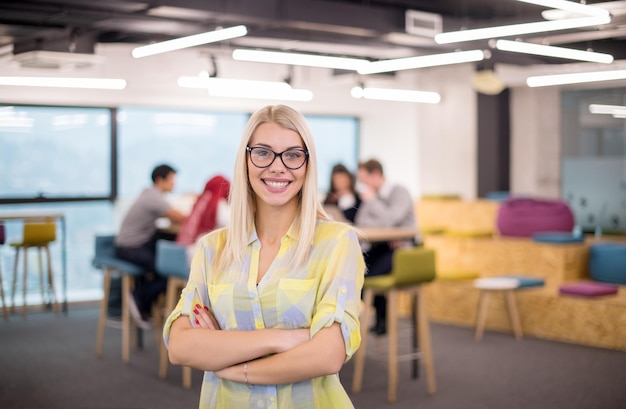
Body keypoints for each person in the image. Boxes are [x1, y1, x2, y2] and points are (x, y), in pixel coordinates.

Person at [163, 104, 365, 408]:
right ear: (245, 160)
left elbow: (327, 355)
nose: (277, 166)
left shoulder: (337, 243)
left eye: (293, 155)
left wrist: (230, 364)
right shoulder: (212, 248)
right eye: (262, 152)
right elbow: (180, 346)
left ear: (308, 165)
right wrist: (283, 339)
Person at [115, 163, 187, 329]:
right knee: (167, 269)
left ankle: (149, 304)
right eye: (171, 180)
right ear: (160, 180)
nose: (174, 184)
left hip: (132, 244)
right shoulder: (154, 197)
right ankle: (139, 297)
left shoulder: (149, 194)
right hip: (130, 248)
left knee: (164, 254)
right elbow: (179, 217)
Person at [354, 158, 417, 335]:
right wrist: (382, 217)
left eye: (364, 178)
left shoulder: (399, 192)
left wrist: (374, 202)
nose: (362, 184)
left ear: (376, 174)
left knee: (366, 275)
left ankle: (383, 318)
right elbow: (361, 221)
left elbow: (391, 220)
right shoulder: (372, 195)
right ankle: (382, 317)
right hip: (381, 247)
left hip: (404, 251)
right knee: (353, 273)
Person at [176, 175, 231, 261]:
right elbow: (237, 228)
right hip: (202, 257)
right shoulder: (219, 206)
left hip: (187, 252)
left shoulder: (200, 202)